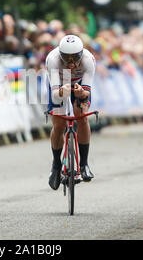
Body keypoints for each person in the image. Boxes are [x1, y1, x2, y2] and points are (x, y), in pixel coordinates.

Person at [45, 34, 96, 190]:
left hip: (79, 84)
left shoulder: (88, 60)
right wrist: (61, 91)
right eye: (67, 58)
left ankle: (84, 164)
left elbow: (86, 93)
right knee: (59, 124)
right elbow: (55, 94)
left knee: (82, 116)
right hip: (60, 84)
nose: (71, 62)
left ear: (81, 54)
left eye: (75, 58)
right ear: (61, 55)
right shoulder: (53, 59)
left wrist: (81, 93)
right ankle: (56, 165)